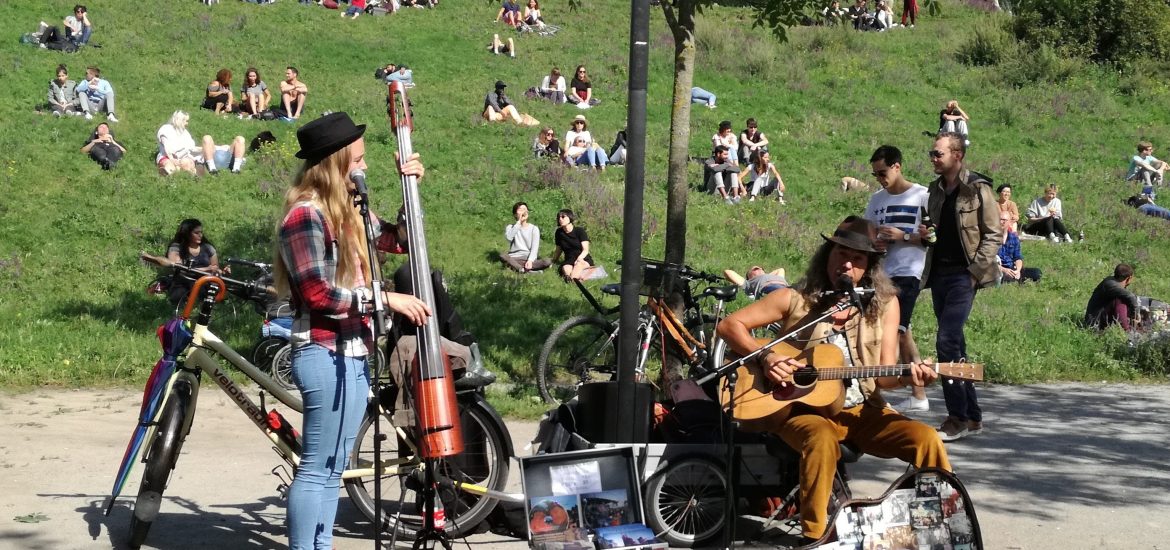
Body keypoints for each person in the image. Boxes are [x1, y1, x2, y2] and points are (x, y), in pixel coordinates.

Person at [717, 215, 950, 545]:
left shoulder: (885, 305)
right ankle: (815, 536)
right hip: (801, 412)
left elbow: (884, 377)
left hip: (864, 411)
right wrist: (766, 356)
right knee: (822, 437)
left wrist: (911, 379)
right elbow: (729, 326)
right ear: (827, 255)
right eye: (841, 254)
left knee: (926, 438)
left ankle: (934, 521)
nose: (847, 265)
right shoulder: (796, 299)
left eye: (857, 259)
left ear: (868, 267)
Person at [273, 111, 432, 550]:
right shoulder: (305, 216)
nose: (363, 168)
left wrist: (410, 189)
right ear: (334, 164)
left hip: (353, 353)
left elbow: (397, 240)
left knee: (333, 466)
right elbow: (319, 293)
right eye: (357, 161)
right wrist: (384, 299)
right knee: (316, 467)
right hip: (322, 354)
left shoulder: (349, 212)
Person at [921, 132, 1001, 442]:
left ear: (957, 155)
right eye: (932, 152)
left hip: (963, 276)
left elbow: (994, 233)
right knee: (957, 346)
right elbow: (934, 228)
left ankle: (956, 417)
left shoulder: (977, 189)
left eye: (938, 153)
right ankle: (974, 417)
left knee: (946, 342)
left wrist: (974, 272)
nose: (933, 157)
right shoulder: (935, 190)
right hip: (939, 274)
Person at [864, 145, 931, 413]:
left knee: (892, 331)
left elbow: (934, 237)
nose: (880, 178)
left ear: (897, 166)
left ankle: (877, 395)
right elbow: (868, 232)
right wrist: (875, 243)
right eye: (875, 174)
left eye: (883, 172)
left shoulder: (922, 196)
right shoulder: (876, 200)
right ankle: (919, 395)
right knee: (903, 334)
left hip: (908, 272)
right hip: (881, 273)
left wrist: (902, 236)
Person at [156, 111, 247, 176]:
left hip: (183, 157)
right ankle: (168, 171)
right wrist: (171, 158)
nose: (187, 123)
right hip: (168, 156)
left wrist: (214, 147)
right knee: (168, 163)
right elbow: (166, 145)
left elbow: (192, 148)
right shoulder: (166, 129)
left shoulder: (185, 133)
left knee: (186, 163)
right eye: (186, 121)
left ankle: (191, 175)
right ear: (180, 120)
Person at [165, 219, 224, 305]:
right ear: (187, 234)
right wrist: (207, 269)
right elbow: (179, 268)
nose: (200, 235)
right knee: (179, 298)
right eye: (196, 233)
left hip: (204, 283)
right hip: (183, 283)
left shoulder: (208, 248)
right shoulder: (176, 248)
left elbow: (215, 269)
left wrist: (222, 272)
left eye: (201, 232)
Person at [551, 209, 603, 281]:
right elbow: (558, 249)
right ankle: (569, 278)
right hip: (569, 259)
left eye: (563, 217)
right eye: (558, 217)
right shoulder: (559, 232)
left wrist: (579, 260)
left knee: (578, 266)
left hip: (583, 258)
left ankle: (574, 280)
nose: (560, 219)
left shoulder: (579, 231)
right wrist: (554, 260)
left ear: (570, 217)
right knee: (566, 267)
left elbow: (585, 250)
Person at [1083, 264, 1138, 331]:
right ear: (1129, 278)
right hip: (1094, 324)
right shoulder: (1110, 285)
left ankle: (1129, 328)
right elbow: (1130, 297)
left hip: (1100, 317)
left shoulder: (1111, 281)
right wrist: (1135, 315)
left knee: (1125, 300)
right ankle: (1127, 331)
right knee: (1120, 300)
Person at [501, 202, 551, 273]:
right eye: (520, 210)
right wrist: (518, 223)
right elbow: (509, 238)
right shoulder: (510, 227)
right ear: (515, 214)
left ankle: (519, 268)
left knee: (547, 261)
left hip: (528, 258)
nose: (523, 211)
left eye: (525, 209)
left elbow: (534, 248)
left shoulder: (534, 229)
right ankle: (523, 270)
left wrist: (530, 261)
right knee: (503, 255)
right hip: (514, 258)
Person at [995, 212, 1040, 284]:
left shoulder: (1014, 238)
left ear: (1009, 222)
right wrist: (1004, 270)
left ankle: (1015, 278)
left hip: (1011, 268)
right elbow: (988, 261)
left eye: (1004, 220)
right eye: (999, 220)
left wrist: (1018, 270)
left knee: (1037, 273)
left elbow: (1018, 257)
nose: (1001, 222)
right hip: (997, 269)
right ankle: (1010, 280)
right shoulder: (991, 238)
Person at [723, 266, 787, 300]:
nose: (760, 268)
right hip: (770, 290)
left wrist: (765, 275)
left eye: (761, 268)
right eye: (755, 269)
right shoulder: (749, 283)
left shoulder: (774, 277)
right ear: (749, 277)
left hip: (788, 289)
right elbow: (728, 272)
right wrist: (744, 281)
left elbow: (781, 270)